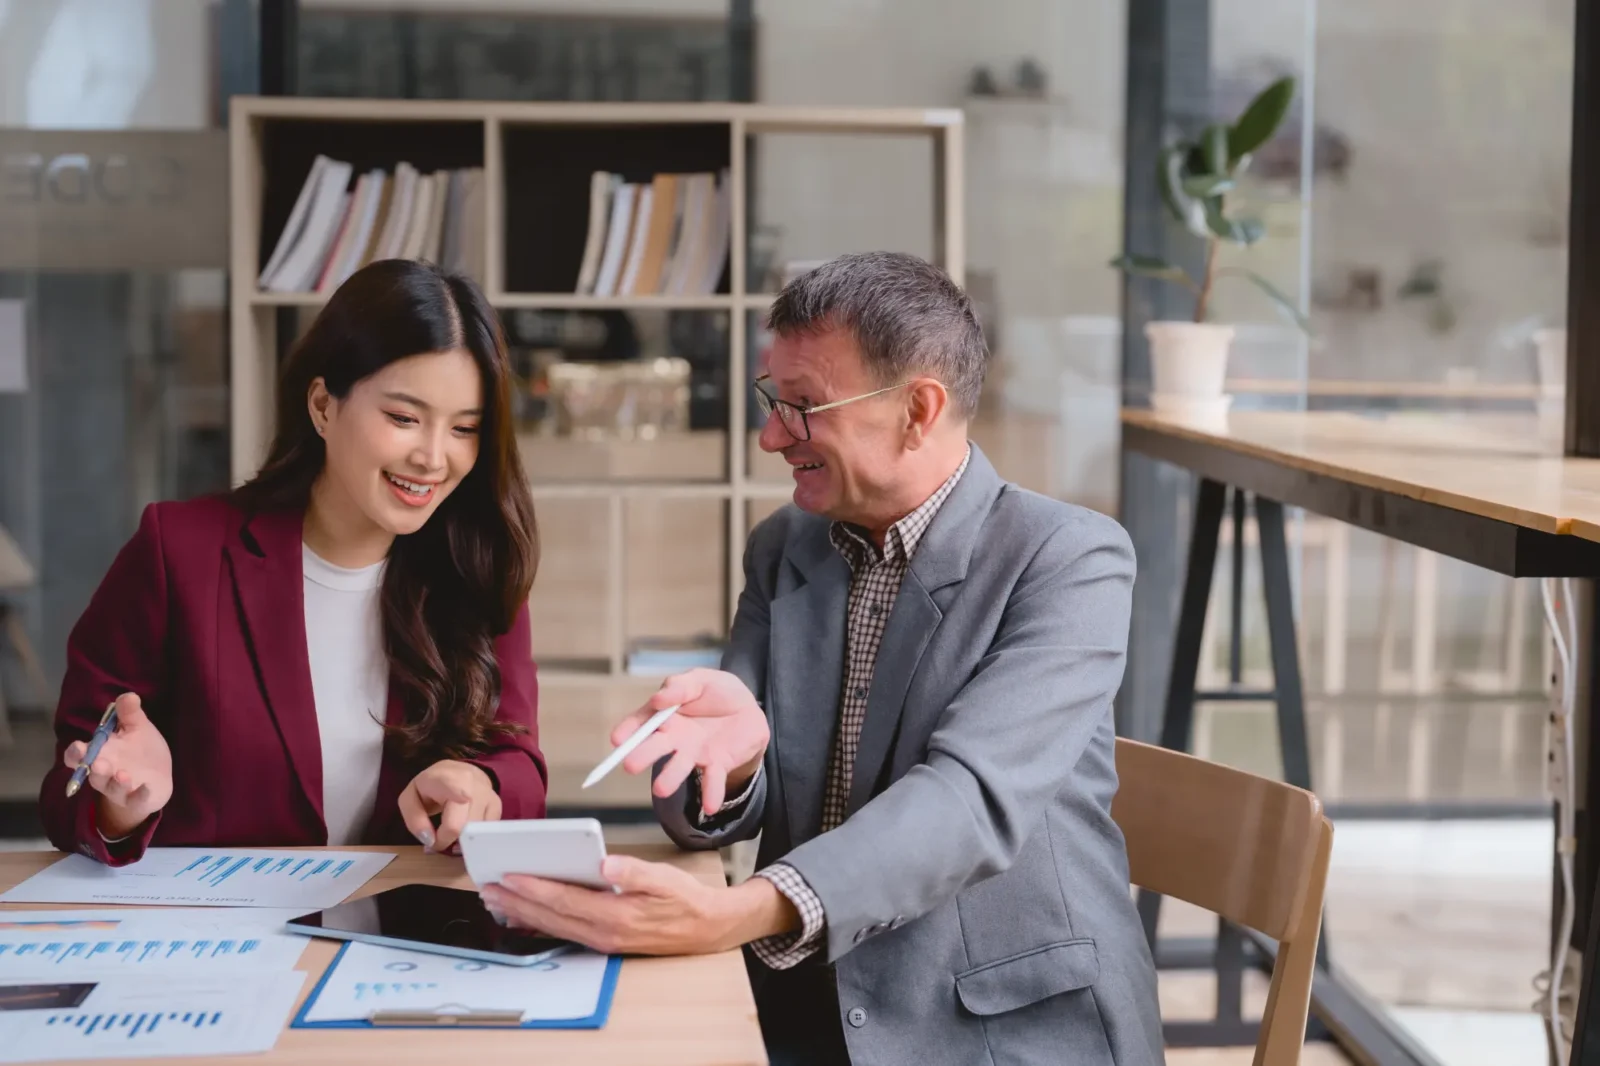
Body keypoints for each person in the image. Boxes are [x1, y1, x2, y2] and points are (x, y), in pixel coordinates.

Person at [481, 252, 1164, 1065]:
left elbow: (968, 801)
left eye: (803, 407)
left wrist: (745, 912)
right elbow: (737, 797)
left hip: (1003, 1025)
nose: (771, 436)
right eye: (774, 401)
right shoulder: (786, 549)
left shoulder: (1068, 560)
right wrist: (731, 770)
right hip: (809, 1001)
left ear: (919, 408)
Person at [39, 259, 547, 866]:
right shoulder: (177, 551)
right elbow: (67, 786)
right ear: (323, 406)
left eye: (465, 428)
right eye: (404, 418)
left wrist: (483, 788)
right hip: (218, 939)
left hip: (398, 935)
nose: (434, 458)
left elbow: (520, 765)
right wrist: (121, 801)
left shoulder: (476, 568)